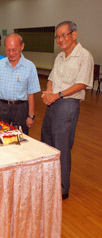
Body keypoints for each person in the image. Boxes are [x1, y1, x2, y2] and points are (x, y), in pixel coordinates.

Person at [41, 21, 93, 200]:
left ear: (74, 34)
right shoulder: (59, 57)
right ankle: (48, 181)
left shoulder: (84, 56)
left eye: (64, 35)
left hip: (67, 104)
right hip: (53, 102)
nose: (61, 39)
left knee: (61, 146)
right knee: (46, 141)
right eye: (58, 36)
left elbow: (81, 84)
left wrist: (57, 95)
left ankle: (62, 188)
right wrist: (49, 92)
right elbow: (51, 78)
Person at [0, 33, 40, 135]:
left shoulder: (30, 67)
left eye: (14, 49)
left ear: (22, 46)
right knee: (1, 137)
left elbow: (31, 93)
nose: (11, 53)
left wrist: (31, 115)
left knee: (21, 138)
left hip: (21, 108)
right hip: (3, 107)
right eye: (8, 50)